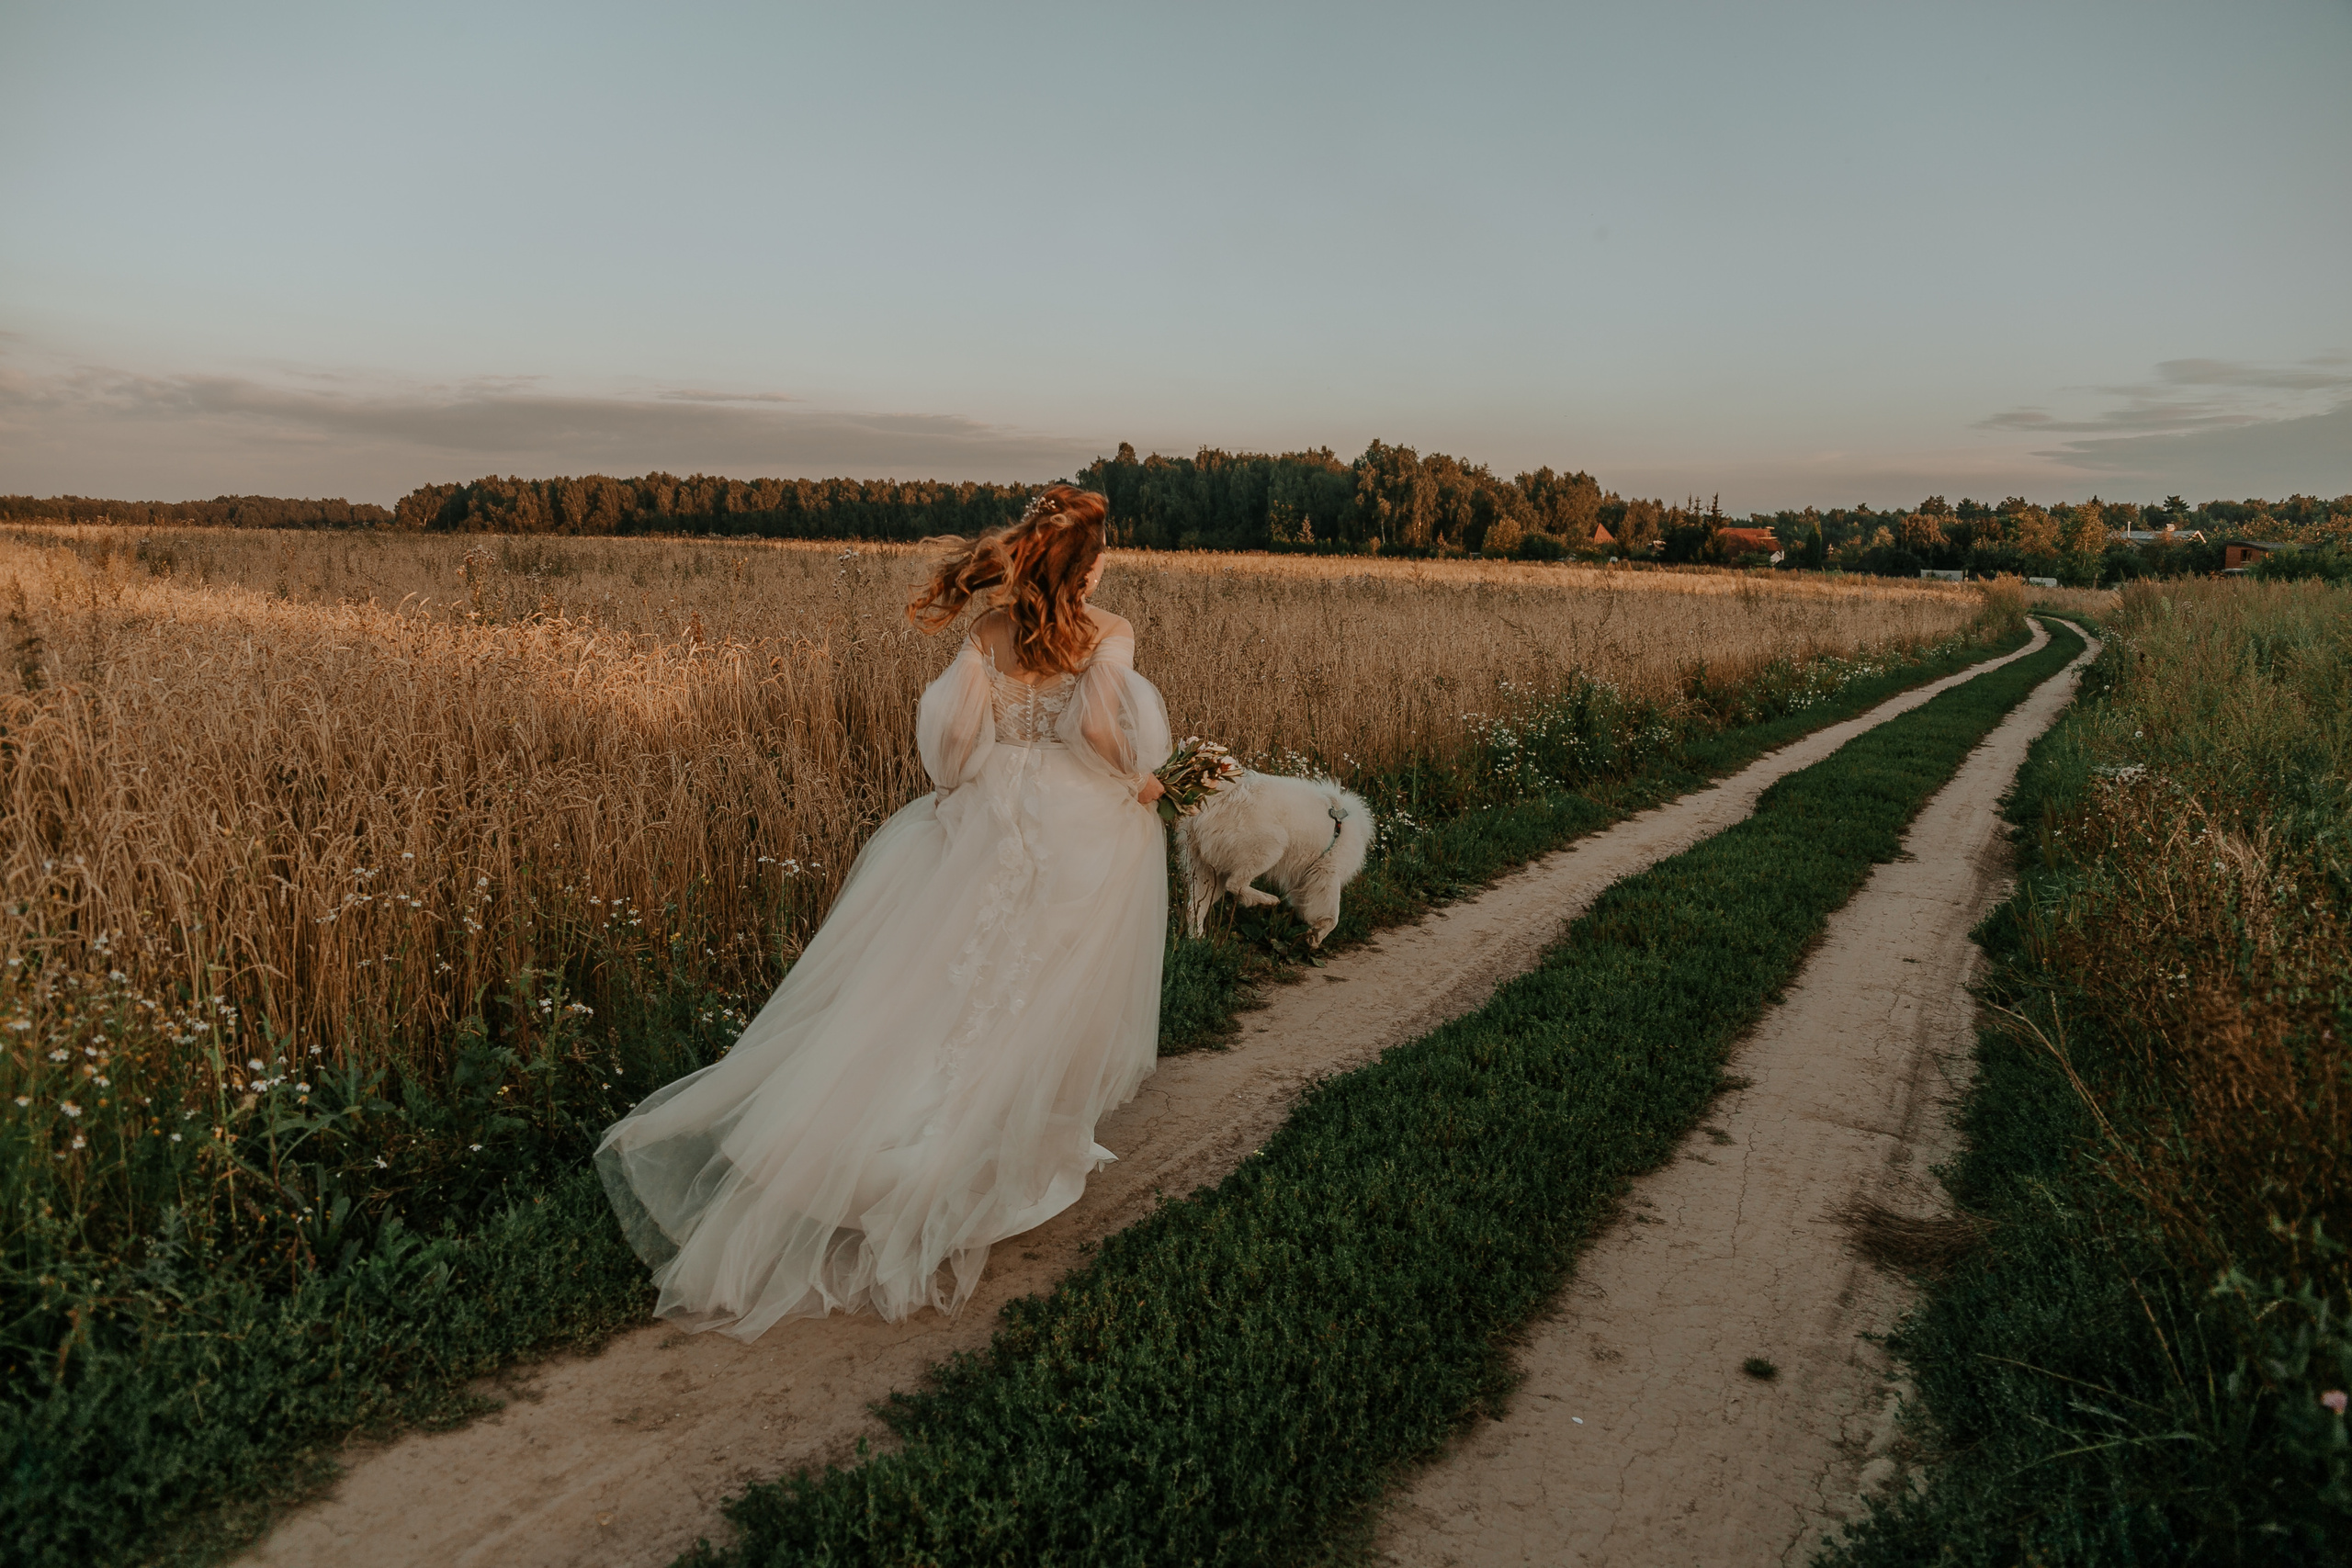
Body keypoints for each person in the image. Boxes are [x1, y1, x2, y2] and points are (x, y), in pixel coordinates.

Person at [595, 486, 1170, 1338]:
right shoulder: (1107, 632)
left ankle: (869, 1138)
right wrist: (1151, 782)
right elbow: (1096, 731)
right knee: (1033, 986)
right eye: (1102, 552)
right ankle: (975, 1155)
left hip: (984, 815)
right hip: (1067, 820)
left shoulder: (988, 631)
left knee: (934, 985)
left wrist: (959, 793)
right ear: (1083, 564)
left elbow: (948, 748)